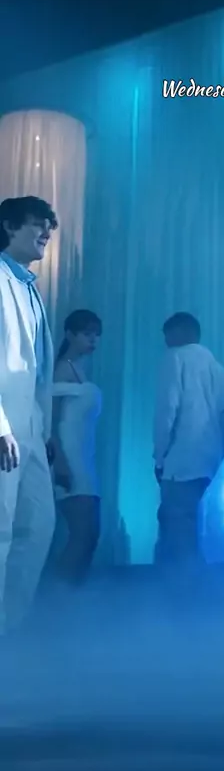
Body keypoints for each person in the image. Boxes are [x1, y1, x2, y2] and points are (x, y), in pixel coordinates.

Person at [0, 195, 58, 633]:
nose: (46, 234)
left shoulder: (29, 288)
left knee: (38, 525)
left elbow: (37, 371)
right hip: (4, 426)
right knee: (2, 528)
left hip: (32, 430)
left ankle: (10, 625)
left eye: (49, 227)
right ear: (9, 226)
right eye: (38, 224)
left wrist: (44, 429)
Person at [153, 312, 224, 577]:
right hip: (209, 461)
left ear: (179, 332)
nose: (166, 342)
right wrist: (221, 454)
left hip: (180, 460)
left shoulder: (175, 358)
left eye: (167, 335)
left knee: (176, 527)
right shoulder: (219, 370)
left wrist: (159, 456)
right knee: (194, 525)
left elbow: (167, 411)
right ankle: (196, 587)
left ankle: (177, 588)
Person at [51, 310, 102, 585]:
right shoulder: (62, 368)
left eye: (96, 335)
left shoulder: (78, 368)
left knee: (90, 534)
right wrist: (59, 460)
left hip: (84, 455)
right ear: (70, 334)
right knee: (82, 533)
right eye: (87, 334)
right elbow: (51, 419)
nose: (93, 340)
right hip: (68, 456)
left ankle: (72, 594)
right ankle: (58, 595)